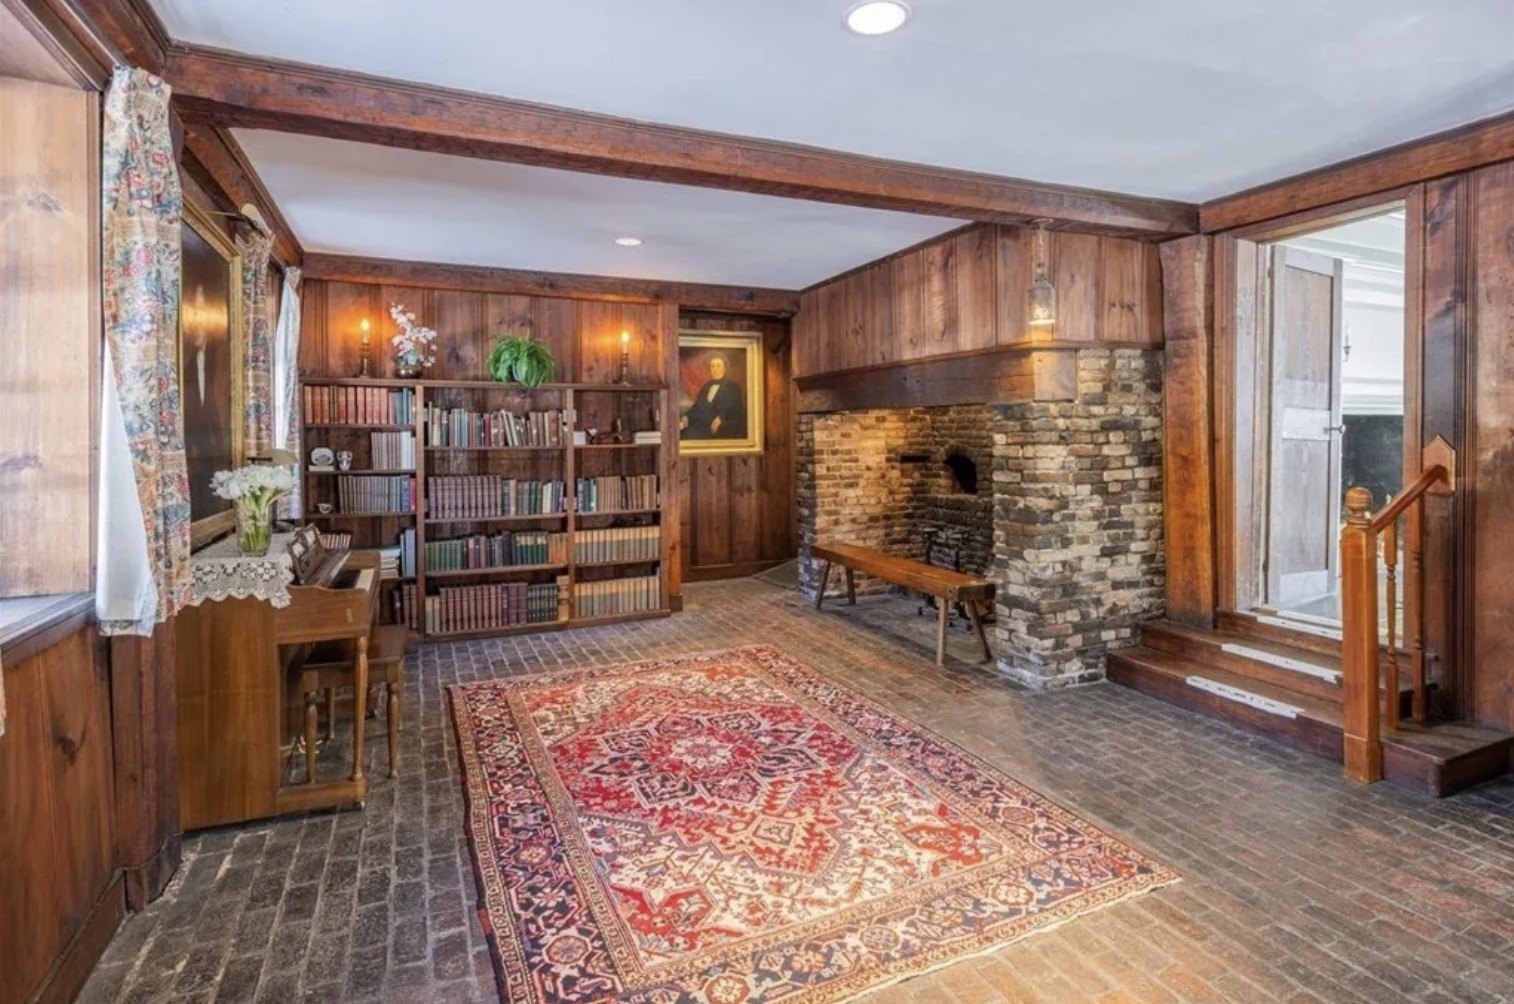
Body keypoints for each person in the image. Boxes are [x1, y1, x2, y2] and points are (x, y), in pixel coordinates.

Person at [680, 355, 745, 439]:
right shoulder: (706, 386)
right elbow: (697, 406)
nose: (715, 369)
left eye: (718, 366)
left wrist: (721, 418)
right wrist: (687, 416)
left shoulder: (732, 386)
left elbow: (736, 410)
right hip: (699, 424)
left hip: (718, 428)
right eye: (712, 366)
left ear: (724, 369)